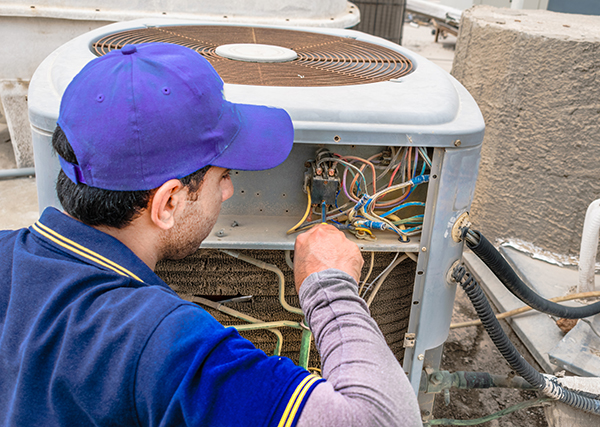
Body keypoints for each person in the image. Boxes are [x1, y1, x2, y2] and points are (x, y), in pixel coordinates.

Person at [0, 43, 422, 426]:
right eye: (224, 174)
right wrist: (329, 287)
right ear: (167, 204)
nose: (230, 190)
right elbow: (383, 420)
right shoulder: (161, 344)